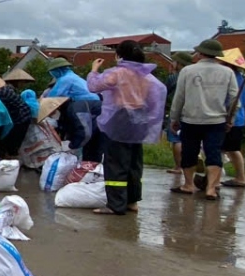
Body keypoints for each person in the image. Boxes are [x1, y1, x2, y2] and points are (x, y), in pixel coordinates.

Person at [86, 41, 166, 215]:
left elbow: (94, 86)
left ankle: (116, 204)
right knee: (134, 162)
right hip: (141, 118)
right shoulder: (147, 76)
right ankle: (132, 201)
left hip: (121, 118)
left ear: (119, 55)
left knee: (116, 161)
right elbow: (155, 98)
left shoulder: (119, 73)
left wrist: (93, 71)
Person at [169, 39, 238, 200]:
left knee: (189, 152)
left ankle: (188, 185)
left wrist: (174, 117)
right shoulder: (227, 72)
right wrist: (231, 118)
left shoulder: (188, 71)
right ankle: (211, 188)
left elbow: (179, 97)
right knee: (213, 153)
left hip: (191, 119)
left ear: (200, 53)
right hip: (217, 120)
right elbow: (234, 99)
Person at [44, 57, 103, 160]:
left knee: (84, 133)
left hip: (85, 105)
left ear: (57, 70)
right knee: (94, 143)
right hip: (96, 107)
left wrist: (72, 146)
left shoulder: (65, 79)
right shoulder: (74, 77)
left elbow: (52, 97)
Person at [217, 48, 245, 189]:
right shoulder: (240, 77)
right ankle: (240, 177)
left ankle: (216, 179)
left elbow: (229, 100)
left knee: (221, 149)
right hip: (239, 119)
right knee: (232, 149)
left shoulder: (231, 78)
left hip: (231, 119)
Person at [0, 82, 35, 159]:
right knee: (9, 140)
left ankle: (10, 159)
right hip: (18, 115)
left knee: (13, 142)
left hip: (21, 117)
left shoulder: (1, 93)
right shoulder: (4, 89)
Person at [163, 53, 192, 174]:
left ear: (179, 63)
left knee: (176, 139)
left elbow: (164, 91)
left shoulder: (174, 77)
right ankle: (189, 166)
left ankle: (178, 166)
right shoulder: (193, 75)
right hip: (191, 111)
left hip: (177, 110)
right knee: (188, 140)